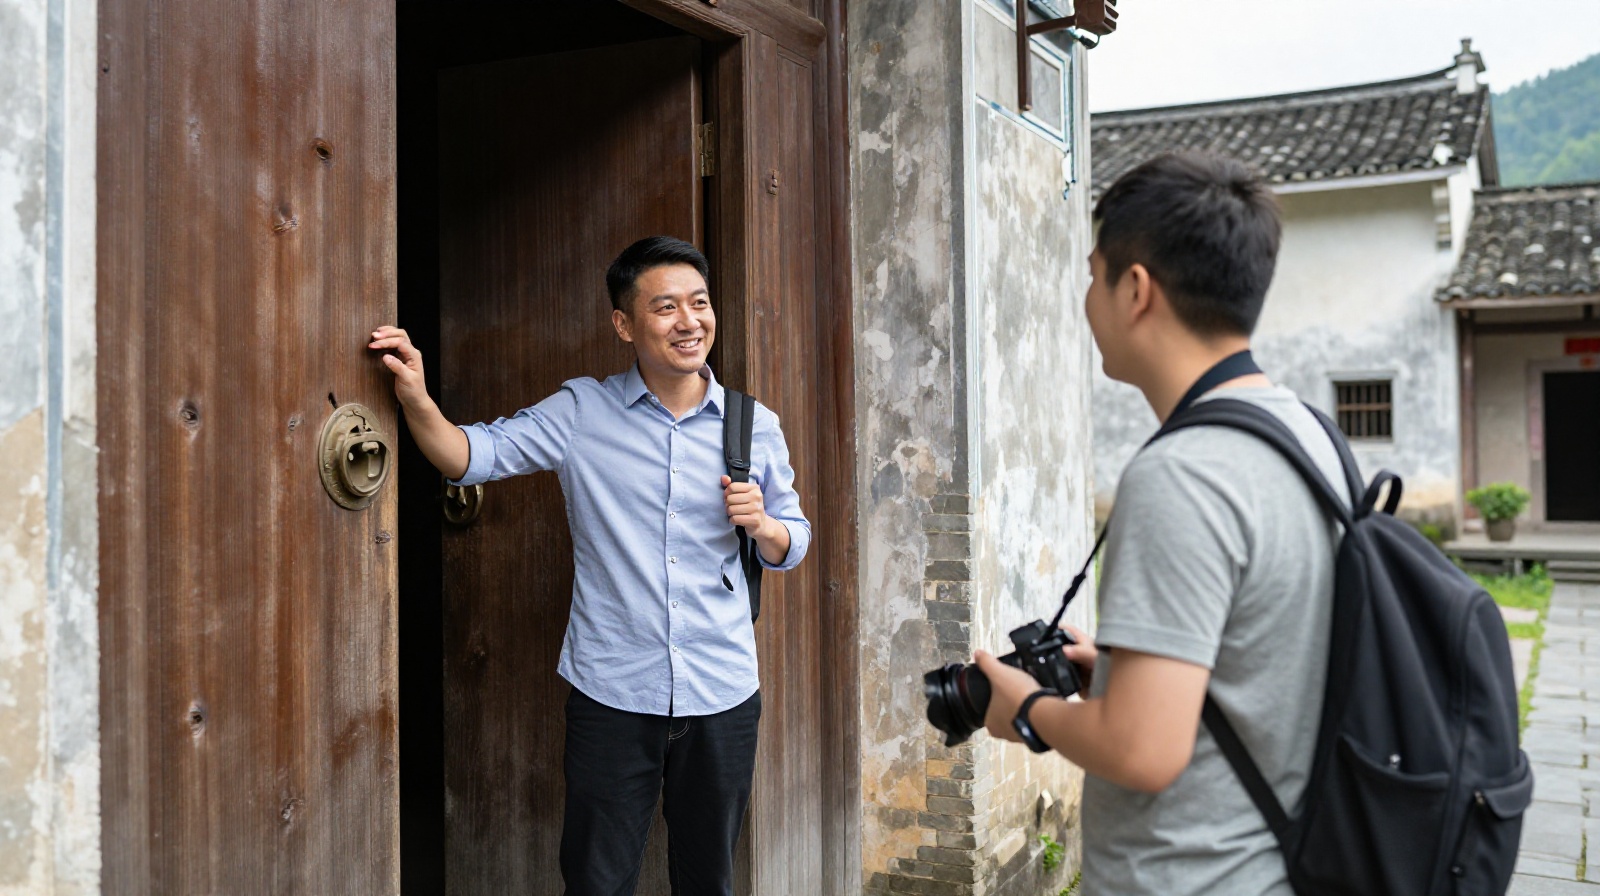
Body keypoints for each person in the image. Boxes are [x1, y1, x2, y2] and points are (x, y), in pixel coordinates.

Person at [369, 236, 811, 895]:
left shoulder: (752, 425)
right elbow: (469, 455)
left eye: (699, 303)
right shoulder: (581, 411)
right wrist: (415, 398)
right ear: (624, 324)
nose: (689, 322)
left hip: (722, 692)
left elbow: (792, 541)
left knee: (709, 877)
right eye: (666, 307)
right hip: (613, 692)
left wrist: (764, 525)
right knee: (596, 879)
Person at [973, 151, 1346, 894]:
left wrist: (1028, 708)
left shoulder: (1183, 473)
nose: (1087, 298)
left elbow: (1144, 750)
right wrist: (1114, 673)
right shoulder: (1307, 431)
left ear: (1135, 289)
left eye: (1092, 273)